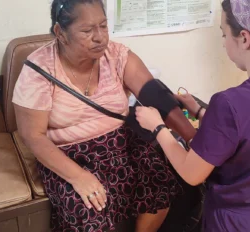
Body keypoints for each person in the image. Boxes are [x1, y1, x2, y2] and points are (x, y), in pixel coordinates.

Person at [135, 0, 250, 231]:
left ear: (244, 38)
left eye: (224, 35)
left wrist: (157, 127)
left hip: (238, 223)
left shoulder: (229, 103)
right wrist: (200, 111)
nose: (223, 44)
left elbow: (191, 173)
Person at [12, 0, 197, 231]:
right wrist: (78, 177)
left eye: (103, 26)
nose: (100, 37)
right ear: (60, 32)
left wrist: (193, 138)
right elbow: (33, 136)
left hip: (119, 141)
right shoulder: (39, 70)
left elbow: (155, 96)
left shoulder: (116, 55)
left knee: (159, 182)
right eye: (87, 31)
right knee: (88, 209)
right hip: (68, 154)